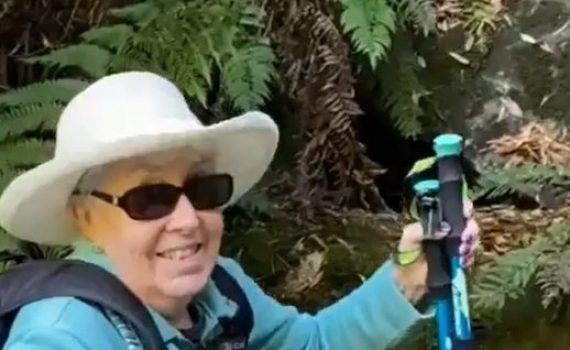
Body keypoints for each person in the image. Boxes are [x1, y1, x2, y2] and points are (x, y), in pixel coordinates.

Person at [0, 71, 480, 350]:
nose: (187, 220)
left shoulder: (219, 290)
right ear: (85, 218)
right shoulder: (64, 336)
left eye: (203, 188)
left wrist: (410, 276)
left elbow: (310, 344)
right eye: (150, 199)